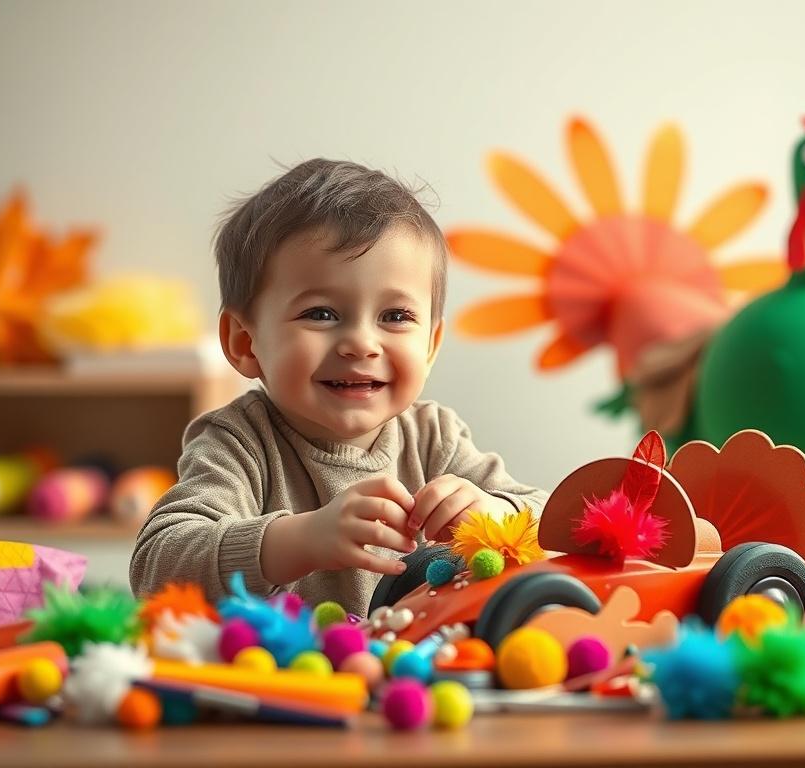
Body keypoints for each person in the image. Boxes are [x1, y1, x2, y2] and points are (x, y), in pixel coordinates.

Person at [129, 159, 547, 616]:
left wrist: (497, 513)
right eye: (321, 314)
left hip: (422, 675)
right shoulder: (239, 442)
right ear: (245, 342)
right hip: (283, 677)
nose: (362, 344)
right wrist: (300, 540)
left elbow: (553, 521)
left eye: (396, 316)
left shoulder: (434, 437)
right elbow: (157, 565)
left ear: (431, 344)